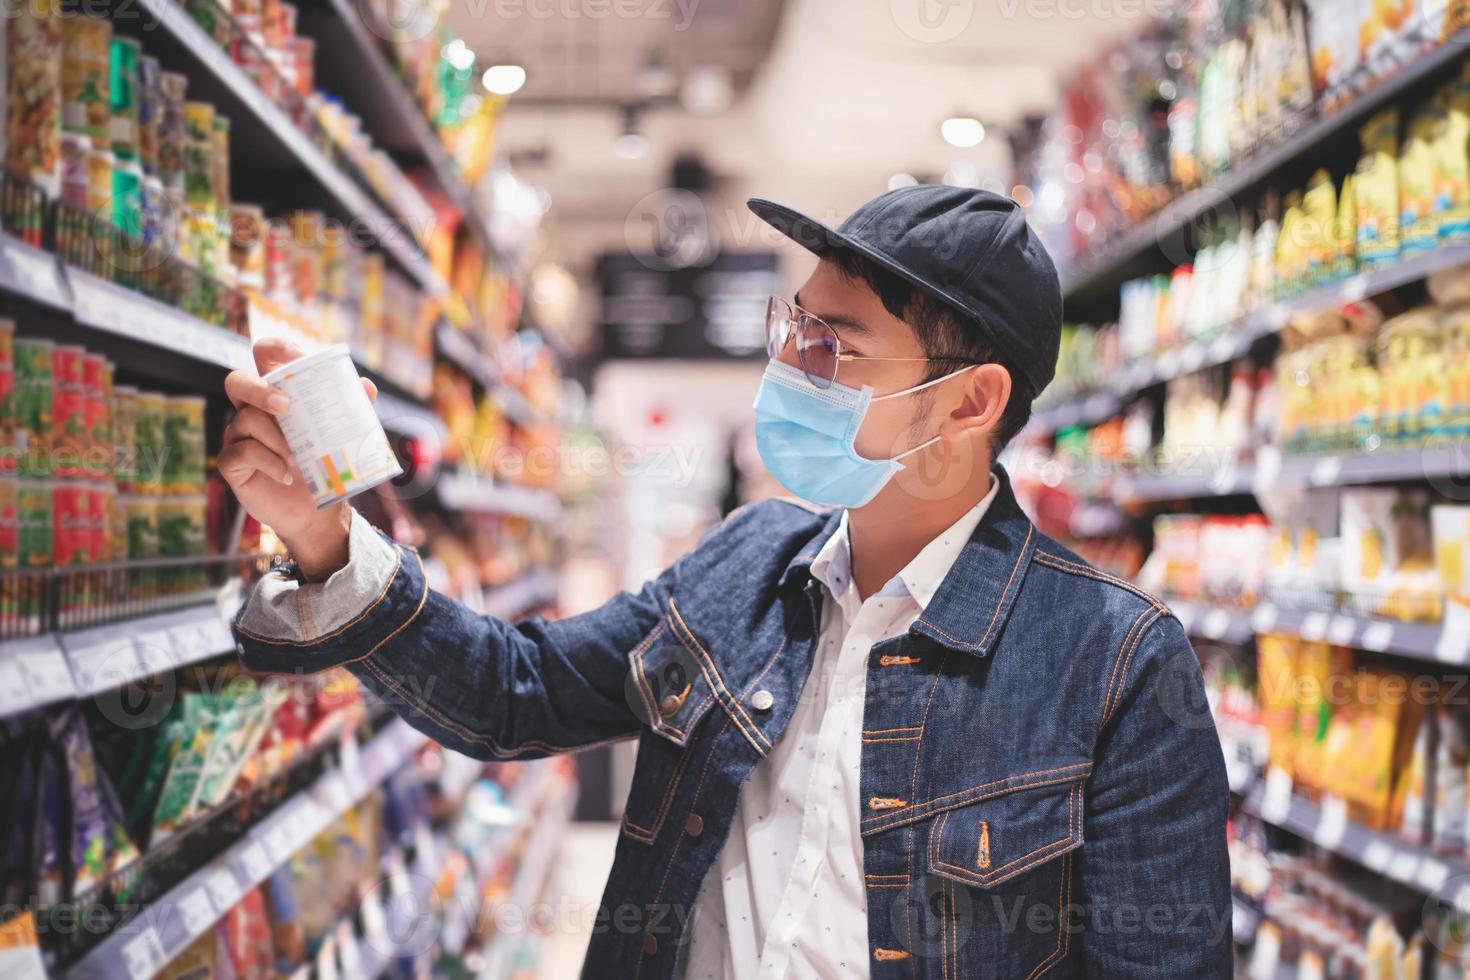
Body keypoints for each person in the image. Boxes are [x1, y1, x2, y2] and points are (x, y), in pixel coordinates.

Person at [222, 185, 1231, 978]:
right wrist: (323, 532)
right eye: (796, 324)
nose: (793, 364)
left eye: (836, 345)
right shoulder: (749, 564)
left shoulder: (1114, 662)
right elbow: (513, 692)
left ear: (969, 402)